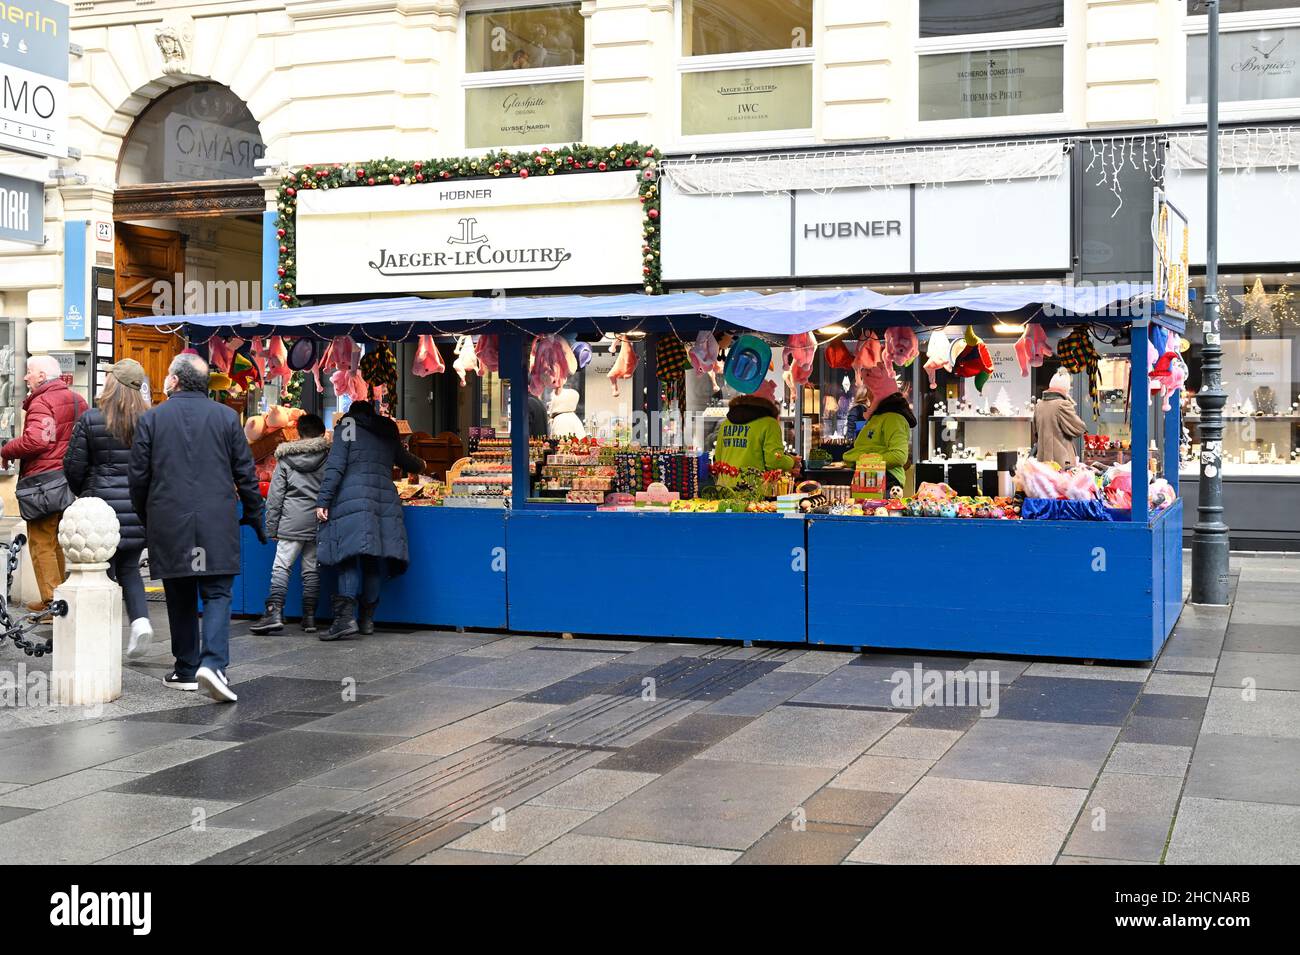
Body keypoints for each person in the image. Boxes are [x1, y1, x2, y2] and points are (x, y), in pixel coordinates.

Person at [128, 353, 265, 702]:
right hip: (216, 519)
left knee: (180, 593)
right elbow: (245, 474)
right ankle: (214, 664)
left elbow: (138, 478)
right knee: (217, 592)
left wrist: (148, 517)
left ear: (174, 381)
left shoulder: (153, 419)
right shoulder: (226, 418)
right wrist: (253, 513)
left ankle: (187, 669)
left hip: (168, 518)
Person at [63, 359, 153, 657]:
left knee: (102, 574)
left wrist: (85, 494)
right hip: (137, 510)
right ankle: (140, 622)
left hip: (99, 511)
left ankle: (105, 638)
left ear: (112, 384)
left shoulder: (91, 419)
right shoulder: (150, 420)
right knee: (129, 569)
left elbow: (73, 467)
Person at [315, 400, 425, 641]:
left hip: (353, 500)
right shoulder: (386, 429)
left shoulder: (348, 427)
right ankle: (367, 620)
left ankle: (345, 620)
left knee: (348, 558)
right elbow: (404, 459)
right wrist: (423, 465)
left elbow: (335, 466)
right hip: (382, 500)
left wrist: (323, 500)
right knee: (373, 559)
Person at [1, 355, 87, 611]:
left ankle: (53, 601)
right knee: (56, 542)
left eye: (29, 372)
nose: (26, 377)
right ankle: (58, 595)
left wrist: (6, 449)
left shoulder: (42, 401)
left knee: (40, 543)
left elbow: (37, 441)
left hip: (43, 482)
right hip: (67, 481)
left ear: (41, 376)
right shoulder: (77, 399)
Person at [250, 414, 329, 635]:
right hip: (317, 521)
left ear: (299, 433)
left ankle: (274, 612)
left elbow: (275, 497)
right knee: (311, 569)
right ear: (322, 433)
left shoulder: (285, 459)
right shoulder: (329, 458)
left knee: (281, 567)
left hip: (291, 521)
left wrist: (272, 527)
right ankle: (310, 618)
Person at [842, 366, 916, 494]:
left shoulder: (893, 418)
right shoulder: (878, 416)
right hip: (870, 478)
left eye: (869, 387)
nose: (867, 392)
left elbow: (899, 456)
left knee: (877, 512)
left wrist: (862, 460)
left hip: (885, 480)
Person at [711, 383, 797, 488]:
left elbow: (718, 457)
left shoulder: (726, 423)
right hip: (753, 491)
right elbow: (774, 461)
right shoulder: (769, 423)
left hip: (725, 488)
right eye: (772, 395)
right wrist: (792, 461)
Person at [1033, 368, 1088, 467]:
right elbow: (1079, 429)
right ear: (1065, 388)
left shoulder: (1039, 405)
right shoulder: (1062, 405)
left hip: (1042, 462)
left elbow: (1036, 432)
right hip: (1060, 463)